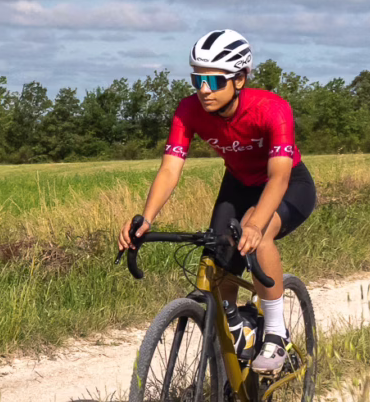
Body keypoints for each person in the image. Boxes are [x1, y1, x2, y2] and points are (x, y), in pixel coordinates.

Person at [116, 28, 316, 372]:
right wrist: (145, 218)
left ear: (240, 79)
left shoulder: (272, 108)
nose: (204, 90)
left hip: (288, 184)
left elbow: (279, 176)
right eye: (198, 80)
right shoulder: (189, 110)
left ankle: (274, 332)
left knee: (259, 235)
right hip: (238, 184)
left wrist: (254, 223)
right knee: (215, 261)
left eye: (214, 80)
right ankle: (235, 333)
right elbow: (170, 170)